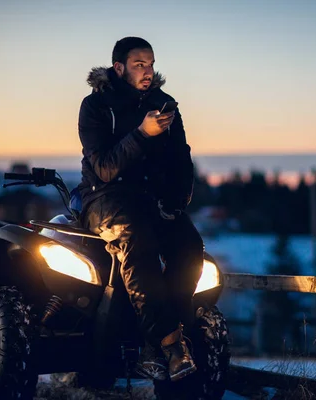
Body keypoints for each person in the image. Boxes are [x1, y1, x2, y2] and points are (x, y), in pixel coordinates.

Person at [76, 37, 203, 382]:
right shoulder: (96, 106)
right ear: (119, 68)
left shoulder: (164, 104)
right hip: (104, 198)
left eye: (150, 64)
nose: (148, 72)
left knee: (191, 248)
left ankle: (163, 340)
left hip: (152, 199)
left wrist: (176, 202)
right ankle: (168, 344)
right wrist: (142, 134)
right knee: (138, 241)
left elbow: (182, 157)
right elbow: (103, 167)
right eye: (139, 65)